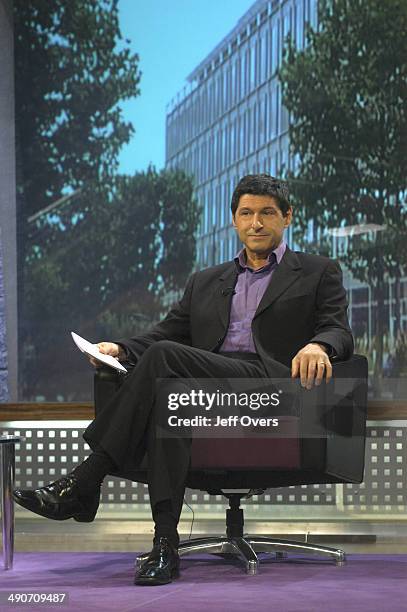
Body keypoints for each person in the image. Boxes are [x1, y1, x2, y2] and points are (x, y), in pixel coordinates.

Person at [13, 174, 353, 585]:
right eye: (246, 213)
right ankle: (165, 547)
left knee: (166, 365)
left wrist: (320, 345)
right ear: (234, 221)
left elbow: (339, 329)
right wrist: (119, 350)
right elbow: (164, 334)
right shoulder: (207, 281)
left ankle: (86, 480)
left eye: (267, 213)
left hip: (268, 390)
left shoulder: (317, 271)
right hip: (206, 394)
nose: (256, 223)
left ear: (287, 217)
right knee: (173, 404)